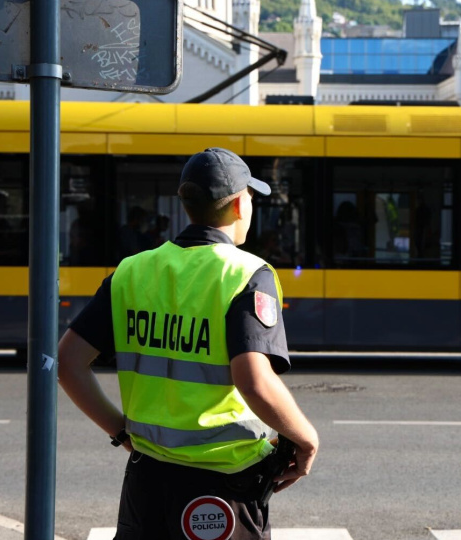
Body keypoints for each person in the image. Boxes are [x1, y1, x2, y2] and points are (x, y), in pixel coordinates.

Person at [58, 147, 319, 540]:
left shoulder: (131, 271)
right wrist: (306, 438)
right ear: (238, 205)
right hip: (221, 487)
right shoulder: (246, 273)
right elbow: (254, 381)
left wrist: (122, 432)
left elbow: (67, 363)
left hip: (145, 482)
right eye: (251, 196)